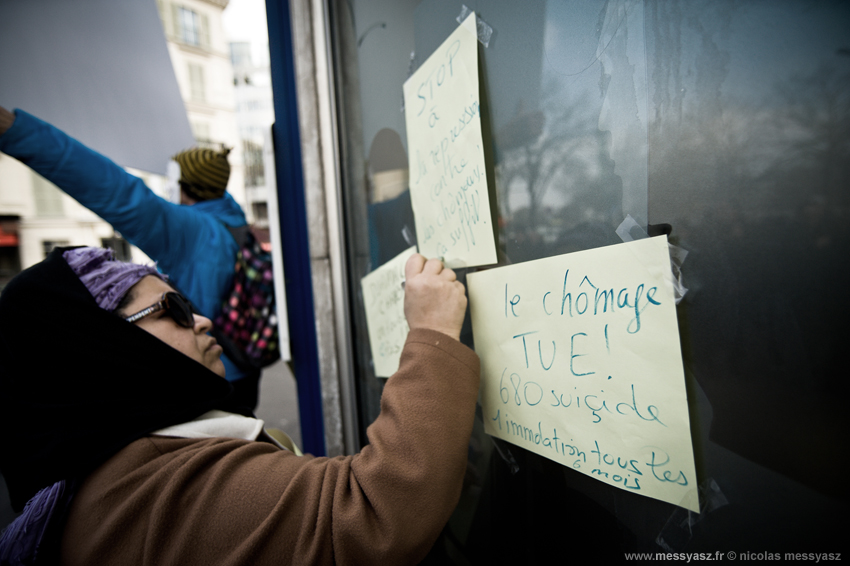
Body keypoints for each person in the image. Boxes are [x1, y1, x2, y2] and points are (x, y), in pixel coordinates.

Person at [0, 246, 478, 565]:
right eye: (176, 311)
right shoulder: (165, 494)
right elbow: (376, 512)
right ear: (98, 349)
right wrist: (432, 334)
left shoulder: (110, 473)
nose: (204, 320)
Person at [0, 106, 261, 409]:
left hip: (205, 368)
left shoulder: (187, 231)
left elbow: (117, 190)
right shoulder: (234, 221)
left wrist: (15, 130)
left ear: (183, 185)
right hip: (244, 364)